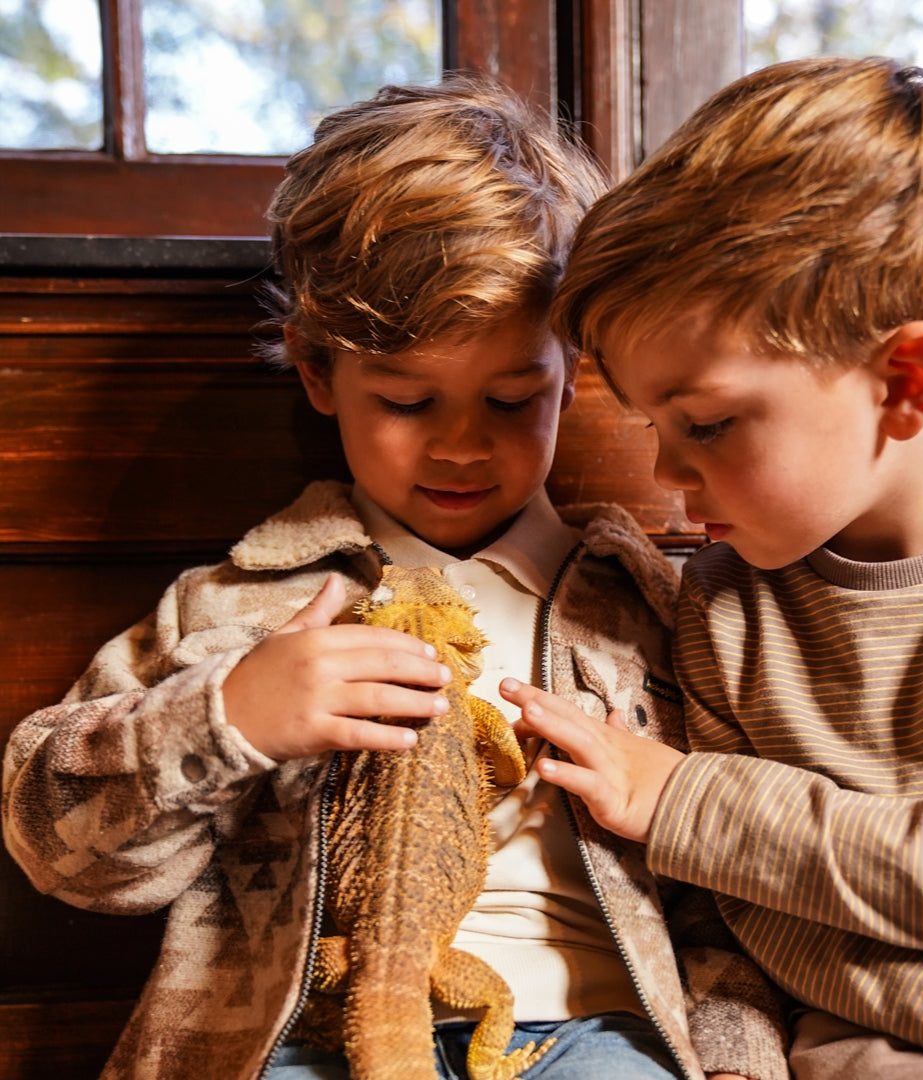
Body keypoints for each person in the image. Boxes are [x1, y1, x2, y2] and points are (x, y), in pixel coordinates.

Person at [1, 76, 789, 1080]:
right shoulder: (243, 603)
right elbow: (60, 848)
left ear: (570, 371)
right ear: (317, 372)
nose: (461, 445)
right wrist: (227, 716)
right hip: (308, 1036)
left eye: (512, 399)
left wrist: (737, 1057)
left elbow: (727, 894)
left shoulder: (646, 612)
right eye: (409, 402)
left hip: (598, 1032)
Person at [500, 57, 923, 1080]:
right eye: (653, 425)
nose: (666, 472)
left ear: (903, 382)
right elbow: (765, 917)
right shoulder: (724, 606)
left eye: (707, 423)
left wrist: (687, 802)